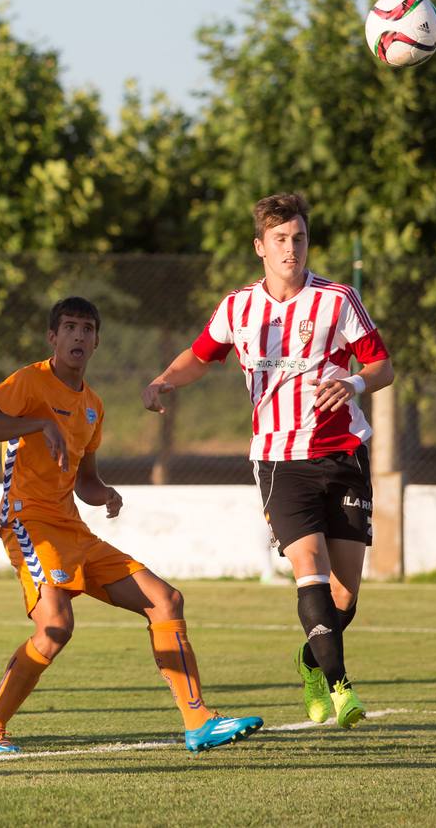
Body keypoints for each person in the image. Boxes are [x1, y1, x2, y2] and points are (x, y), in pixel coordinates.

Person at [0, 296, 263, 754]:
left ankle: (198, 721)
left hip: (72, 528)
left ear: (98, 341)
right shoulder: (30, 381)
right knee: (55, 628)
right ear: (53, 337)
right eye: (69, 327)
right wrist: (34, 425)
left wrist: (105, 493)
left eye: (87, 329)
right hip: (28, 520)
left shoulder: (93, 406)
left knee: (165, 600)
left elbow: (85, 480)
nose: (78, 336)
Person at [143, 193, 393, 729]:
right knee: (311, 572)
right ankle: (340, 688)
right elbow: (200, 354)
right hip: (279, 460)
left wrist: (352, 382)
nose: (291, 249)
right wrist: (165, 379)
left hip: (344, 453)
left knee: (346, 595)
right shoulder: (239, 307)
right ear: (261, 246)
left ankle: (310, 662)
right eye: (280, 239)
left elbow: (382, 366)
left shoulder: (339, 300)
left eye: (299, 238)